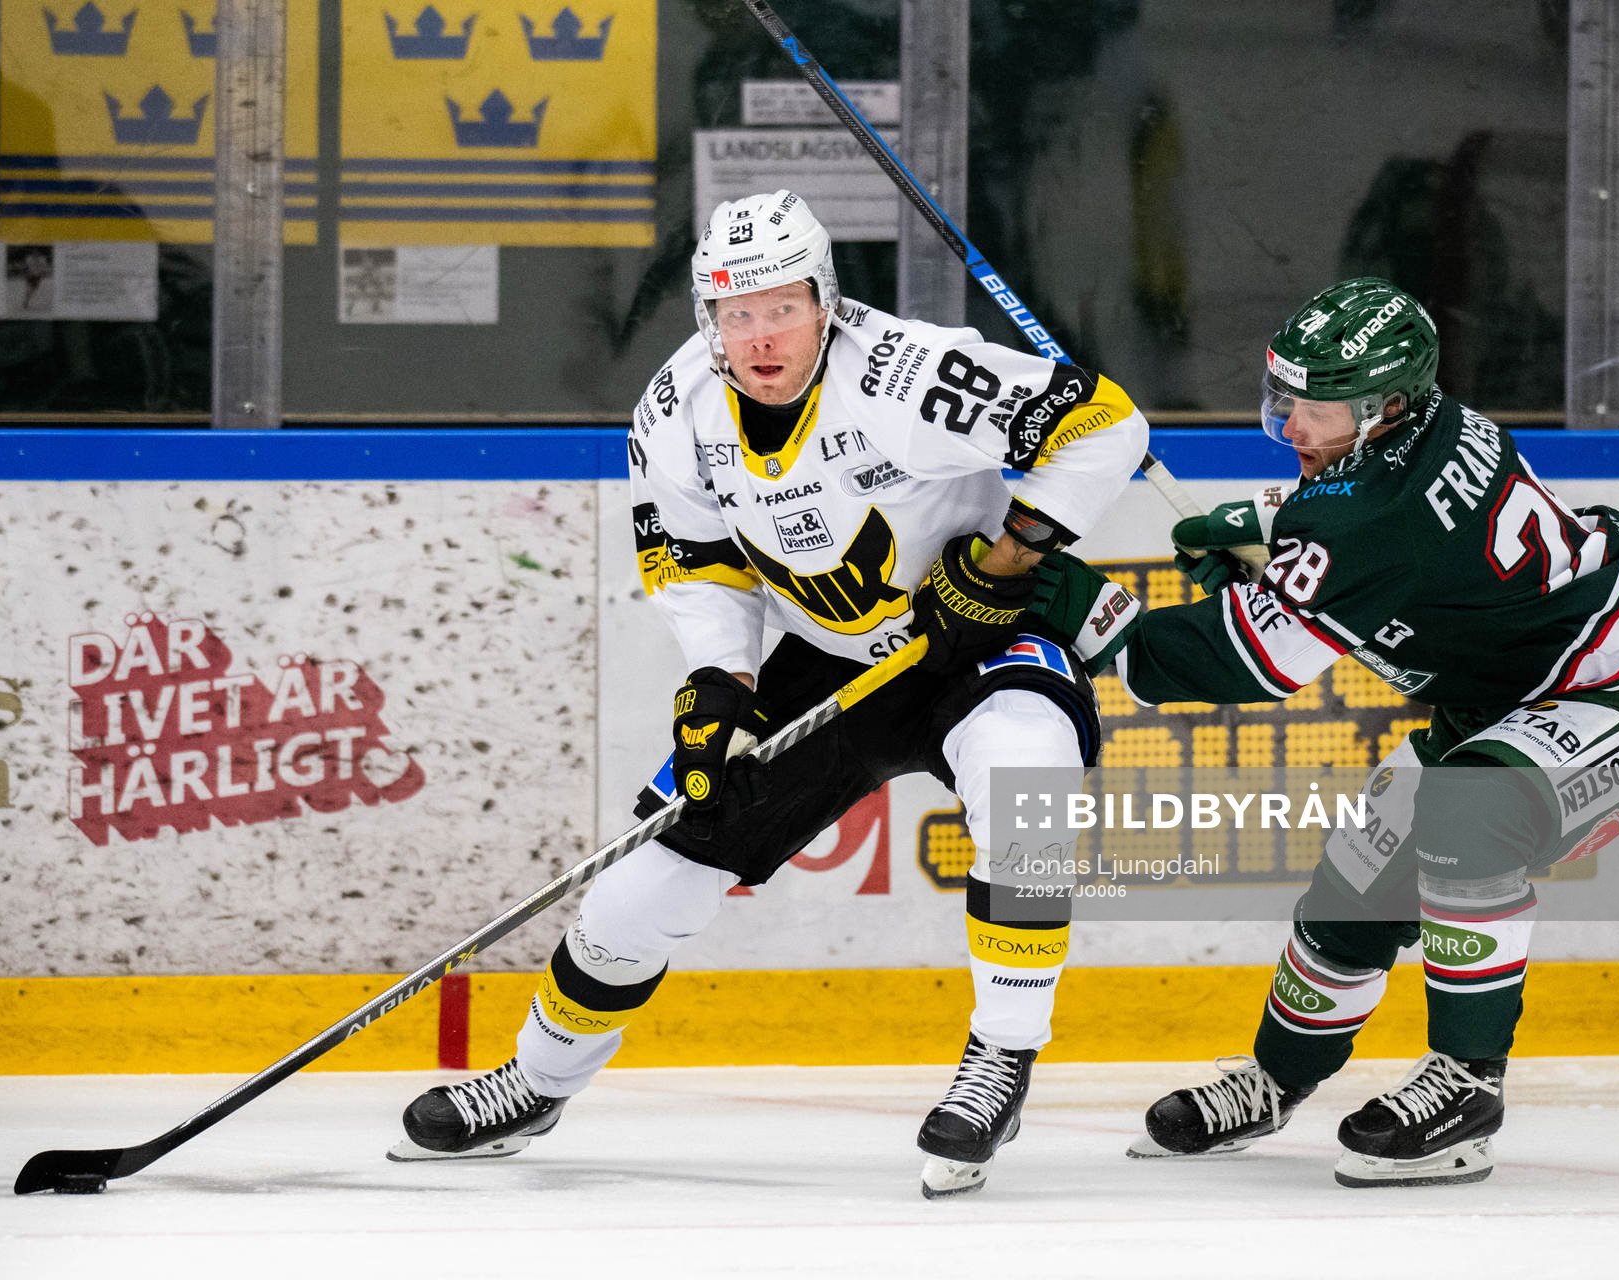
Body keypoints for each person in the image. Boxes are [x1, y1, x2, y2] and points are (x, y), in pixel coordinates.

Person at [391, 191, 1150, 1197]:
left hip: (979, 637)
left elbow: (1106, 422)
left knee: (1026, 774)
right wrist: (719, 684)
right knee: (636, 891)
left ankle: (1001, 1059)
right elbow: (694, 559)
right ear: (708, 317)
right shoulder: (675, 411)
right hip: (827, 657)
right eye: (735, 312)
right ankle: (534, 1081)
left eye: (781, 306)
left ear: (824, 302)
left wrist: (1007, 559)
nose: (759, 334)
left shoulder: (908, 375)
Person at [1028, 277, 1619, 1187]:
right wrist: (1258, 523)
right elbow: (1342, 515)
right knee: (1355, 882)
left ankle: (1469, 1086)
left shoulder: (1372, 520)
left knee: (1466, 822)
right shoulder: (1433, 428)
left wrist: (1095, 612)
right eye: (1285, 401)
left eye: (1312, 410)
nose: (1290, 426)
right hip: (1500, 700)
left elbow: (1251, 664)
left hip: (1617, 690)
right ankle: (1276, 1080)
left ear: (1385, 407)